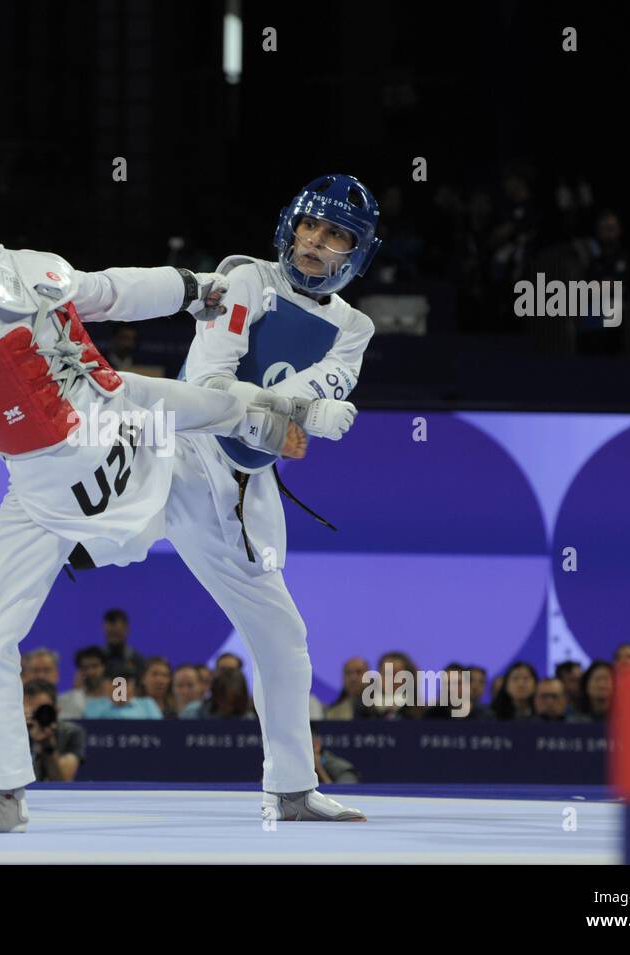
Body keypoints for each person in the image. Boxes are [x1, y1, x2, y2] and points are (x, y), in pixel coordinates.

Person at [0, 173, 298, 832]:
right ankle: (254, 410)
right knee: (174, 398)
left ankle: (4, 797)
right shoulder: (37, 264)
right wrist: (196, 288)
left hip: (59, 484)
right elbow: (114, 289)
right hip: (129, 431)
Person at [160, 174, 378, 822]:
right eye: (310, 226)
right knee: (55, 538)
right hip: (169, 456)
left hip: (241, 489)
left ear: (355, 252)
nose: (315, 242)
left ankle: (290, 788)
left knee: (283, 637)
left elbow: (281, 409)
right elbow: (206, 385)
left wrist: (291, 415)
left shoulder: (353, 327)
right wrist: (302, 413)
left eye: (335, 234)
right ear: (290, 227)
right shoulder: (243, 279)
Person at [23, 680, 85, 782]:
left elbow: (63, 780)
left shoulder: (71, 732)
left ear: (56, 710)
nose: (36, 717)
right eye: (31, 713)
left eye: (41, 711)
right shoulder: (11, 733)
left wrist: (47, 744)